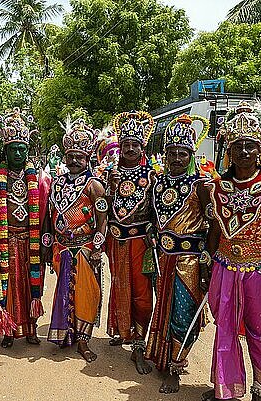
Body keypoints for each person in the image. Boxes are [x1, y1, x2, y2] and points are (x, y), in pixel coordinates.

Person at [203, 101, 261, 401]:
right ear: (229, 150)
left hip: (260, 272)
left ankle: (259, 387)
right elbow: (215, 231)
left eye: (250, 146)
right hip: (224, 268)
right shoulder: (218, 187)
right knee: (225, 331)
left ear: (260, 148)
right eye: (238, 146)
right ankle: (226, 389)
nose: (244, 151)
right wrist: (207, 266)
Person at [146, 114, 211, 393]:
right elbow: (150, 216)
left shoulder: (201, 185)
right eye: (171, 153)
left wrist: (208, 261)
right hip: (163, 259)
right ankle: (163, 358)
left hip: (189, 261)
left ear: (191, 154)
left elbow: (213, 222)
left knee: (184, 314)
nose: (176, 158)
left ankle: (176, 367)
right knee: (164, 310)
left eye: (182, 153)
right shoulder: (157, 183)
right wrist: (150, 231)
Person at [0, 108, 52, 348]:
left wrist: (45, 243)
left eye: (21, 148)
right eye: (13, 149)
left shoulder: (39, 179)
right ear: (6, 150)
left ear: (27, 150)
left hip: (30, 241)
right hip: (6, 241)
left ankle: (31, 329)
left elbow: (44, 212)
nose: (17, 153)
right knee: (6, 287)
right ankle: (8, 331)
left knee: (32, 285)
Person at [47, 118, 108, 362]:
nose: (74, 161)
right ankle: (65, 335)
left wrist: (97, 247)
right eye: (70, 156)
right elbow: (49, 214)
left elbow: (103, 219)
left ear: (88, 159)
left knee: (85, 294)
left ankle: (83, 341)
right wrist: (48, 242)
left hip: (85, 247)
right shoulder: (57, 182)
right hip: (62, 247)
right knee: (64, 293)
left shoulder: (94, 186)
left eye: (79, 157)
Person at [105, 111, 155, 374]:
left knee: (141, 292)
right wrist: (111, 188)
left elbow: (158, 209)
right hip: (116, 240)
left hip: (140, 241)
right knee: (120, 285)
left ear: (142, 145)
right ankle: (123, 329)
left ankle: (139, 341)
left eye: (136, 144)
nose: (131, 148)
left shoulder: (152, 174)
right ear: (121, 146)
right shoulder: (110, 173)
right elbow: (103, 207)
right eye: (127, 144)